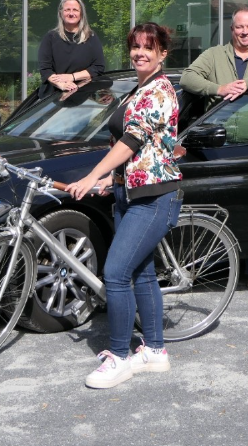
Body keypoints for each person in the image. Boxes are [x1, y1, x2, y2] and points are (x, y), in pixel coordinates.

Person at [66, 22, 183, 389]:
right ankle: (155, 352)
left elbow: (131, 142)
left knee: (116, 274)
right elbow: (137, 151)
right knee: (142, 274)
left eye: (149, 47)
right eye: (135, 47)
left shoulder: (159, 92)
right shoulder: (139, 90)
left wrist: (90, 175)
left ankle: (118, 356)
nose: (140, 53)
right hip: (130, 194)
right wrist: (108, 180)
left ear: (163, 53)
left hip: (154, 198)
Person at [180, 6, 248, 295]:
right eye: (239, 27)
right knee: (222, 207)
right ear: (232, 30)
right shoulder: (215, 55)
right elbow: (188, 78)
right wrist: (219, 88)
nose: (245, 32)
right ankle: (217, 267)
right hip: (221, 144)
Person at [38, 0, 106, 97]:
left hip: (82, 97)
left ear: (81, 14)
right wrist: (61, 85)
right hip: (53, 97)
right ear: (61, 13)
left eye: (75, 10)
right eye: (67, 10)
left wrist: (72, 77)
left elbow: (98, 67)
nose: (71, 13)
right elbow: (45, 69)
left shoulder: (91, 37)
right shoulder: (51, 37)